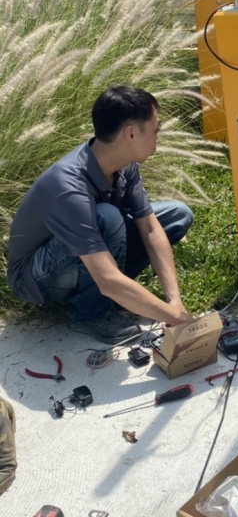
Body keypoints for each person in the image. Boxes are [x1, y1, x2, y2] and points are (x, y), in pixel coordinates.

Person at [7, 86, 195, 344]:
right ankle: (90, 313)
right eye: (155, 129)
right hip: (35, 276)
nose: (158, 137)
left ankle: (116, 292)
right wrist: (175, 318)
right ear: (130, 133)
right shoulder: (68, 187)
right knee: (107, 218)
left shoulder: (123, 165)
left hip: (86, 253)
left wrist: (175, 303)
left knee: (176, 215)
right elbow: (107, 280)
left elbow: (150, 229)